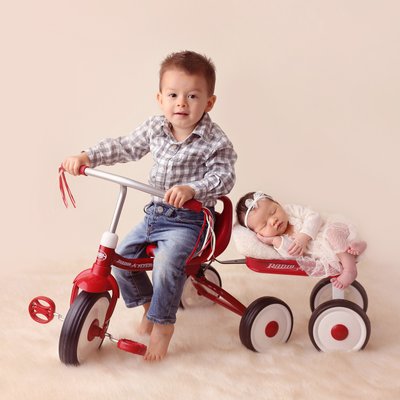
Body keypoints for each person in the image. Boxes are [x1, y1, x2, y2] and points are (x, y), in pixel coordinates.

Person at [62, 51, 237, 361]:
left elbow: (224, 177)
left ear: (209, 102)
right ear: (160, 98)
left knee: (167, 265)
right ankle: (149, 306)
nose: (181, 103)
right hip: (156, 215)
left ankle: (164, 325)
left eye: (192, 96)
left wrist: (192, 189)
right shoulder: (155, 128)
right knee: (122, 258)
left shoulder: (215, 141)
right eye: (173, 95)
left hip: (191, 220)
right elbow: (125, 146)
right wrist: (87, 156)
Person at [236, 192, 367, 289]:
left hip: (327, 230)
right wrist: (273, 241)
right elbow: (291, 254)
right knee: (336, 248)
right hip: (322, 249)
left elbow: (314, 216)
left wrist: (304, 236)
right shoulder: (279, 240)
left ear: (278, 204)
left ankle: (350, 269)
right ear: (259, 234)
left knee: (332, 233)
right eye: (264, 225)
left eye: (273, 211)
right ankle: (353, 247)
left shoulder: (290, 210)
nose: (273, 220)